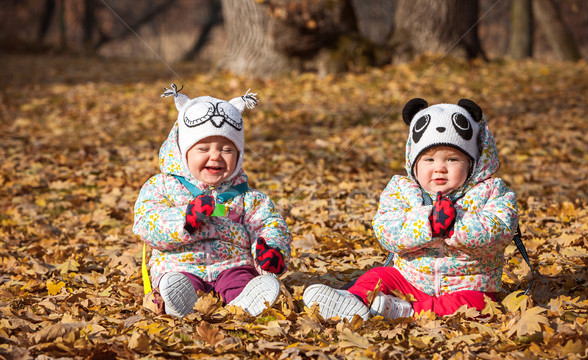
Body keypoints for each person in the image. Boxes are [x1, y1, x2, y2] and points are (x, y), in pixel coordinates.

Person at [303, 98, 519, 320]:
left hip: (467, 284)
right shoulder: (402, 189)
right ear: (414, 163)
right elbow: (386, 230)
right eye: (429, 159)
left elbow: (500, 230)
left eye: (452, 159)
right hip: (409, 279)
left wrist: (455, 225)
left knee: (479, 304)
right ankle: (352, 300)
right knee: (378, 275)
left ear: (472, 163)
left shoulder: (491, 191)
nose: (439, 168)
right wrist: (427, 223)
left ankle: (405, 311)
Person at [133, 84, 292, 317]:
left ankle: (248, 300)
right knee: (178, 283)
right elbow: (147, 223)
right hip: (180, 265)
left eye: (227, 149)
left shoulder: (247, 197)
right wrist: (184, 220)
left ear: (238, 157)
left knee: (241, 279)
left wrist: (271, 251)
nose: (215, 155)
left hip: (232, 264)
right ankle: (180, 300)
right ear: (183, 152)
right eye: (204, 148)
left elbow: (269, 224)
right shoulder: (163, 187)